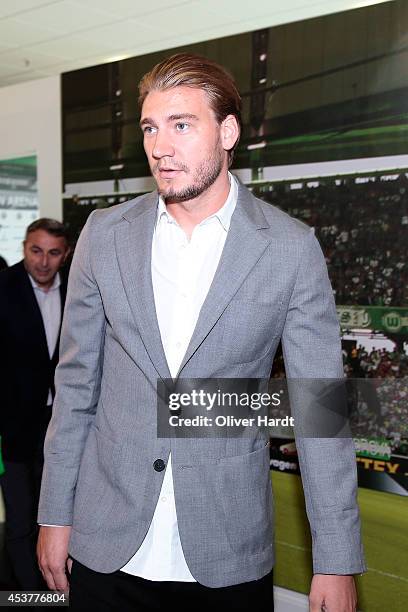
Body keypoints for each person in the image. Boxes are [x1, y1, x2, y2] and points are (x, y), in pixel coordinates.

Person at [37, 54, 365, 611]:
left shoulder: (289, 248)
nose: (161, 146)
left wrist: (336, 560)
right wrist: (54, 513)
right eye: (149, 127)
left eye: (182, 125)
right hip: (104, 545)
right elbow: (74, 391)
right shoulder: (104, 233)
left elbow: (319, 411)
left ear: (228, 131)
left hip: (226, 554)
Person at [0, 218, 70, 589]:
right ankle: (28, 596)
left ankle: (54, 591)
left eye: (53, 253)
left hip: (62, 424)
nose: (43, 262)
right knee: (20, 519)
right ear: (24, 247)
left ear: (66, 254)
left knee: (57, 516)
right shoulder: (3, 287)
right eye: (35, 251)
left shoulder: (78, 288)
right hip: (12, 427)